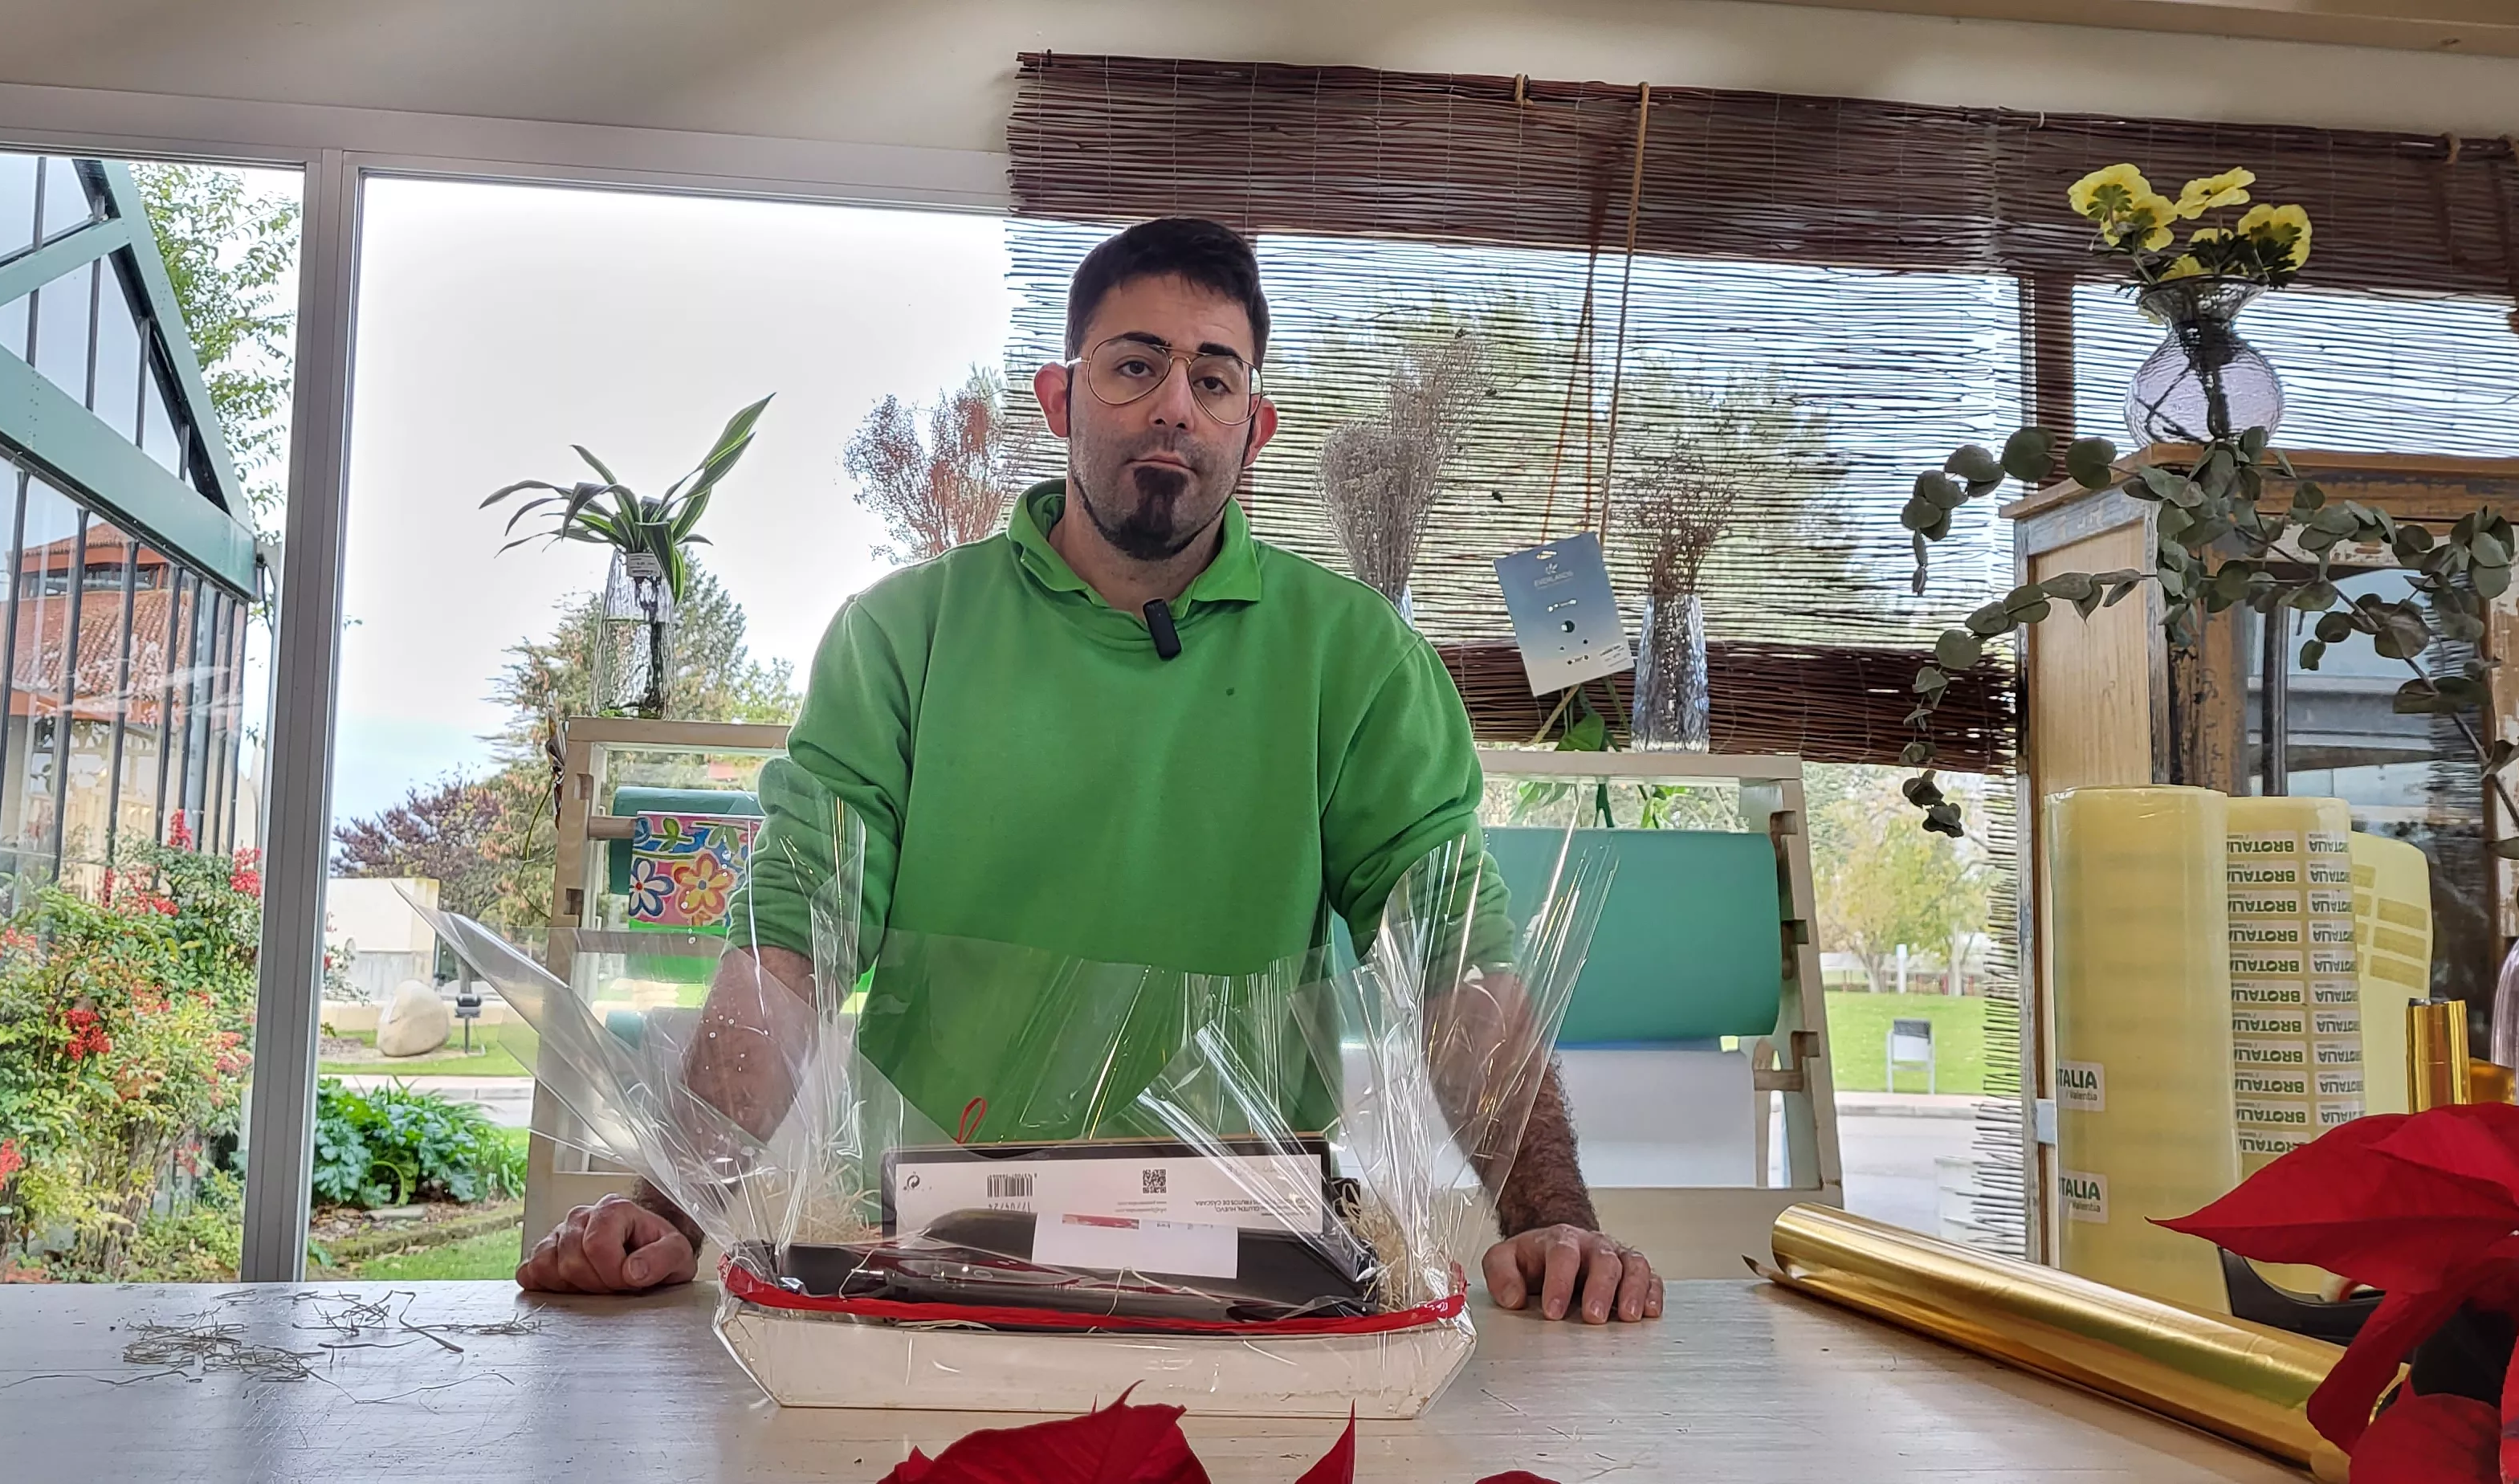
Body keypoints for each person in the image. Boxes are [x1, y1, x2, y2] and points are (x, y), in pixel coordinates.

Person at [519, 218, 1662, 1324]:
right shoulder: (903, 638)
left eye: (1214, 379)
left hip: (1257, 1265)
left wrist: (1554, 1221)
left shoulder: (1357, 659)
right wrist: (669, 1206)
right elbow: (787, 951)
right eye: (1134, 365)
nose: (1175, 404)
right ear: (1061, 399)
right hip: (934, 1253)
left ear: (1254, 428)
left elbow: (1456, 960)